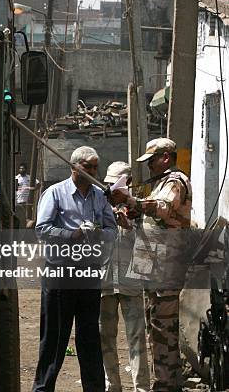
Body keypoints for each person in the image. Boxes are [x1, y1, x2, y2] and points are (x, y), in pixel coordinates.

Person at [33, 146, 118, 392]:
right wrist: (72, 234)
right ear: (74, 167)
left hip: (88, 273)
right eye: (88, 166)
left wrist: (99, 233)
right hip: (61, 273)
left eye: (95, 167)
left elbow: (112, 230)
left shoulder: (100, 197)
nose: (93, 171)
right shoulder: (56, 194)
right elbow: (42, 229)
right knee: (55, 337)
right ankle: (43, 388)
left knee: (89, 336)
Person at [111, 138, 192, 392]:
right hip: (152, 266)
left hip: (165, 267)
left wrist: (134, 202)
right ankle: (166, 381)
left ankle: (167, 384)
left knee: (164, 327)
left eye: (152, 160)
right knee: (156, 325)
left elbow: (163, 208)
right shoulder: (158, 184)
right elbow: (152, 215)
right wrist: (132, 213)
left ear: (166, 158)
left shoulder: (175, 182)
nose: (149, 167)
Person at [100, 161, 150, 392]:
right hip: (105, 282)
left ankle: (140, 387)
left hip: (131, 282)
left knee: (137, 338)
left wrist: (129, 227)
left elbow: (150, 244)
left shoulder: (140, 207)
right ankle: (113, 386)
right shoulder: (100, 205)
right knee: (105, 337)